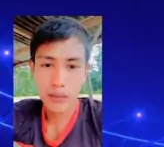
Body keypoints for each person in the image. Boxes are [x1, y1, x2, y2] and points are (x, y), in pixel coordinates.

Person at [14, 17, 102, 147]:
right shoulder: (17, 115)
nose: (58, 81)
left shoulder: (103, 121)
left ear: (85, 72)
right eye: (47, 65)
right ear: (33, 68)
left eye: (72, 66)